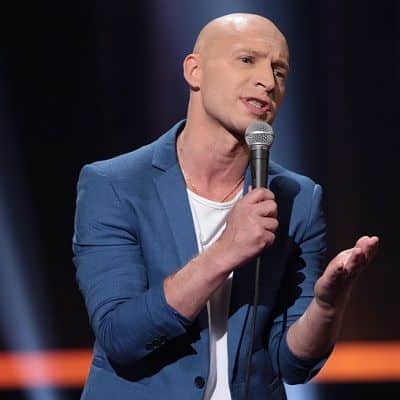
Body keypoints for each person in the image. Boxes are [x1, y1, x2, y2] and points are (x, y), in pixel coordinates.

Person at [73, 13, 379, 400]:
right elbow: (121, 336)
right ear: (194, 71)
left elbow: (292, 363)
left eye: (279, 71)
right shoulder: (115, 185)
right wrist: (225, 252)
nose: (268, 82)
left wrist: (327, 306)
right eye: (247, 60)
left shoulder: (298, 198)